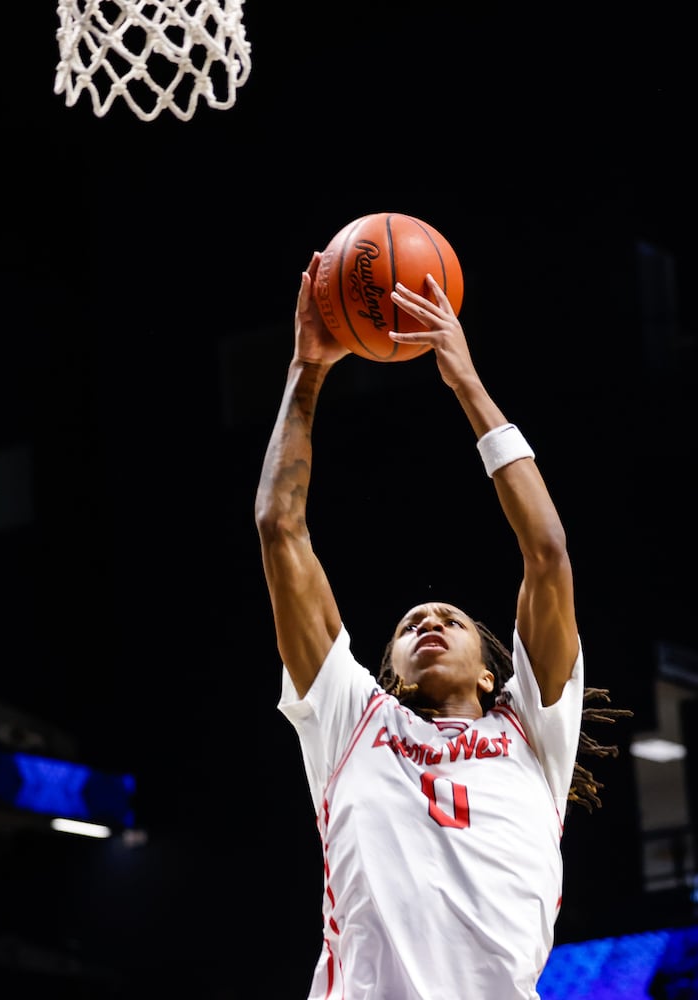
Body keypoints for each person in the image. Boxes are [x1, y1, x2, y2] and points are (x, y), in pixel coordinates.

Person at [255, 251, 629, 1000]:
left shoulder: (533, 734)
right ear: (390, 671)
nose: (428, 619)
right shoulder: (351, 720)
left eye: (450, 619)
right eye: (409, 625)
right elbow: (279, 528)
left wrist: (466, 382)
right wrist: (307, 372)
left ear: (492, 675)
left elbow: (548, 553)